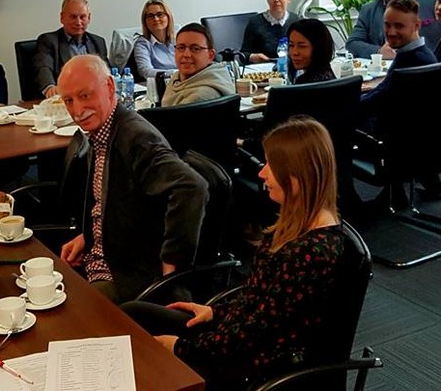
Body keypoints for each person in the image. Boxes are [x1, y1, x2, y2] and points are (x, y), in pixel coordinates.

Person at [122, 117, 345, 389]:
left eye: (271, 165)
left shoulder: (312, 254)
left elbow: (255, 337)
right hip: (238, 336)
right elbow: (258, 299)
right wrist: (216, 312)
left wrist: (181, 348)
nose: (262, 173)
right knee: (133, 314)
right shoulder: (297, 223)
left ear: (297, 177)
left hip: (253, 365)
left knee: (146, 359)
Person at [58, 54, 208, 304]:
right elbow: (119, 201)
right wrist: (90, 235)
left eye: (85, 96)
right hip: (104, 253)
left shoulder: (137, 138)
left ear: (110, 87)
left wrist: (171, 264)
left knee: (69, 313)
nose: (77, 110)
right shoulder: (103, 130)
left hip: (125, 272)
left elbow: (192, 186)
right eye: (68, 100)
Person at [360, 0, 438, 128]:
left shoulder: (409, 64)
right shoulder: (425, 55)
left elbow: (375, 102)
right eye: (387, 25)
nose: (391, 32)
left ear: (417, 26)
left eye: (399, 26)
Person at [33, 0, 109, 98]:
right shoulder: (48, 41)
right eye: (73, 17)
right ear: (62, 18)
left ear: (89, 18)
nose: (78, 22)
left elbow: (106, 74)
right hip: (64, 98)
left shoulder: (98, 42)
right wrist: (49, 87)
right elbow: (43, 67)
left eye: (82, 17)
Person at [160, 23, 235, 107]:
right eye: (181, 48)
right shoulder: (177, 78)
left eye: (195, 49)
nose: (186, 54)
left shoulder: (201, 97)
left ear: (210, 55)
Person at [241, 0, 300, 64]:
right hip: (263, 67)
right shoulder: (255, 22)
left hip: (291, 66)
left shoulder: (296, 21)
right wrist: (252, 57)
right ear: (267, 0)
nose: (276, 0)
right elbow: (243, 54)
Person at [133, 0, 177, 80]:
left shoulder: (178, 39)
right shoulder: (143, 44)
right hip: (163, 84)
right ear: (145, 21)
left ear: (168, 17)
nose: (156, 19)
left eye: (160, 14)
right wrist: (176, 73)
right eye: (150, 16)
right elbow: (146, 71)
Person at [286, 19, 336, 84]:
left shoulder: (305, 85)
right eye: (291, 45)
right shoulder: (328, 75)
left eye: (302, 46)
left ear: (319, 48)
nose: (294, 52)